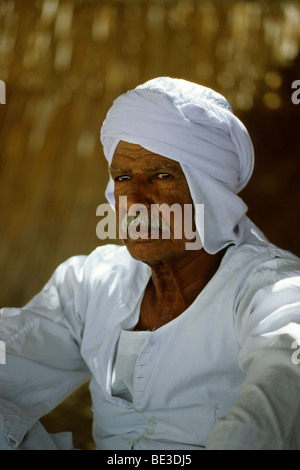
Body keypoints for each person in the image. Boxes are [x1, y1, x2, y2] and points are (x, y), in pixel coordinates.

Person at [1, 77, 300, 451]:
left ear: (209, 190)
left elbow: (284, 384)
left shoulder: (272, 289)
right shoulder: (92, 281)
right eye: (123, 178)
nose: (136, 201)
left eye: (161, 176)